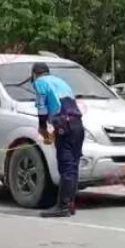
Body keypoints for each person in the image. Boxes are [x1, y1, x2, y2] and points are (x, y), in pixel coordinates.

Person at [31, 62, 84, 218]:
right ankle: (70, 204)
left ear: (34, 73)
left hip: (64, 126)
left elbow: (42, 107)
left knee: (65, 165)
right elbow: (64, 105)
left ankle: (62, 206)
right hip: (77, 126)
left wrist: (42, 128)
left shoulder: (40, 82)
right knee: (73, 166)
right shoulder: (62, 82)